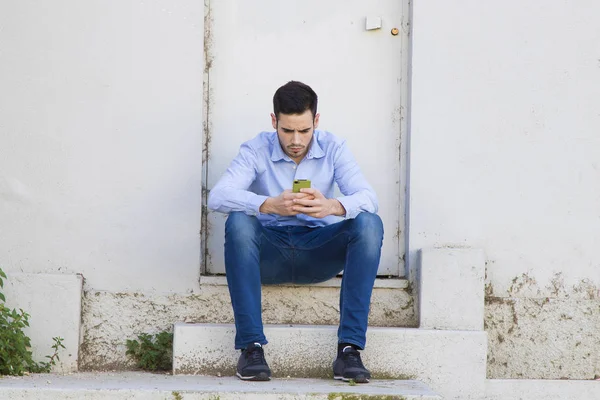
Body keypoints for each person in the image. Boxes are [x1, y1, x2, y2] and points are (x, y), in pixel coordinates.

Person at [207, 81, 383, 383]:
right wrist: (266, 205)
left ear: (316, 120)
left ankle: (349, 349)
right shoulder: (256, 149)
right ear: (274, 121)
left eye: (304, 130)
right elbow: (217, 196)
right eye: (287, 131)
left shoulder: (334, 147)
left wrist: (332, 206)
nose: (296, 140)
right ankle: (251, 347)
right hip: (268, 253)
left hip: (318, 252)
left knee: (369, 223)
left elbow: (369, 198)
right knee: (238, 221)